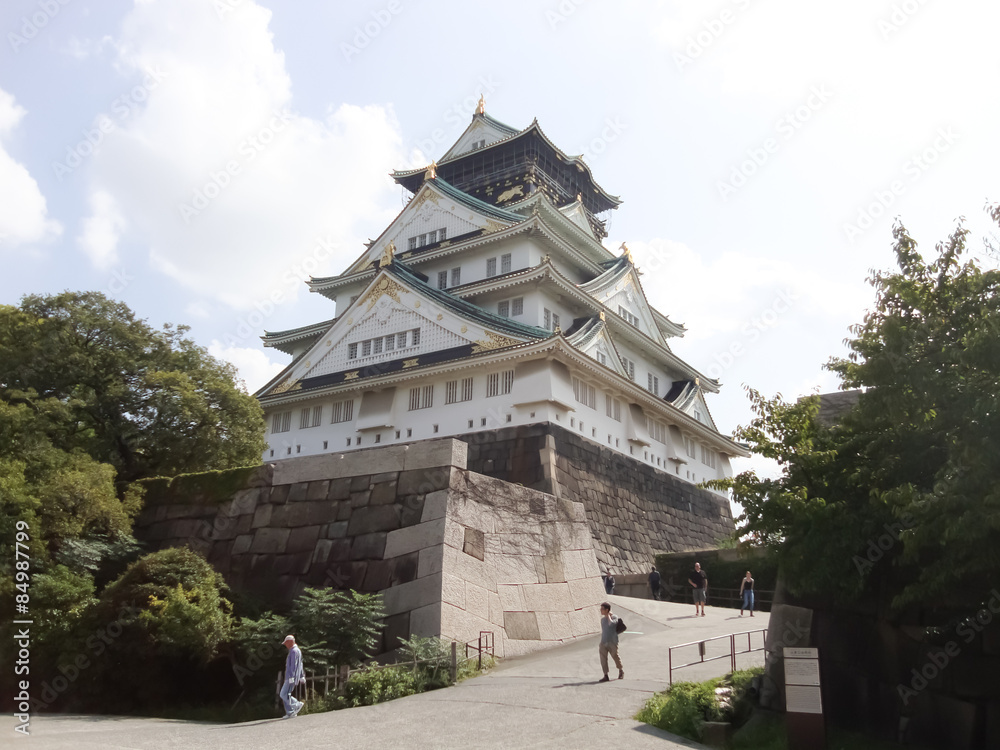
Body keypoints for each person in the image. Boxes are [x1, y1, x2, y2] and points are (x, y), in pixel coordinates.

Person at [597, 602, 624, 682]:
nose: (600, 610)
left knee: (615, 656)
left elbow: (611, 624)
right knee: (603, 659)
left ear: (607, 610)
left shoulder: (614, 617)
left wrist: (608, 615)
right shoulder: (602, 620)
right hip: (603, 642)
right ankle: (605, 675)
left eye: (602, 609)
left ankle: (620, 670)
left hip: (612, 642)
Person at [280, 635, 306, 719]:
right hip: (291, 677)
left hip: (290, 677)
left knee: (283, 694)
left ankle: (296, 704)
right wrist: (301, 676)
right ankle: (290, 712)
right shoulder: (296, 650)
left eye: (286, 643)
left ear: (290, 642)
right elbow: (300, 664)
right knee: (287, 694)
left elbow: (293, 665)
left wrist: (291, 676)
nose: (285, 645)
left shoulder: (294, 651)